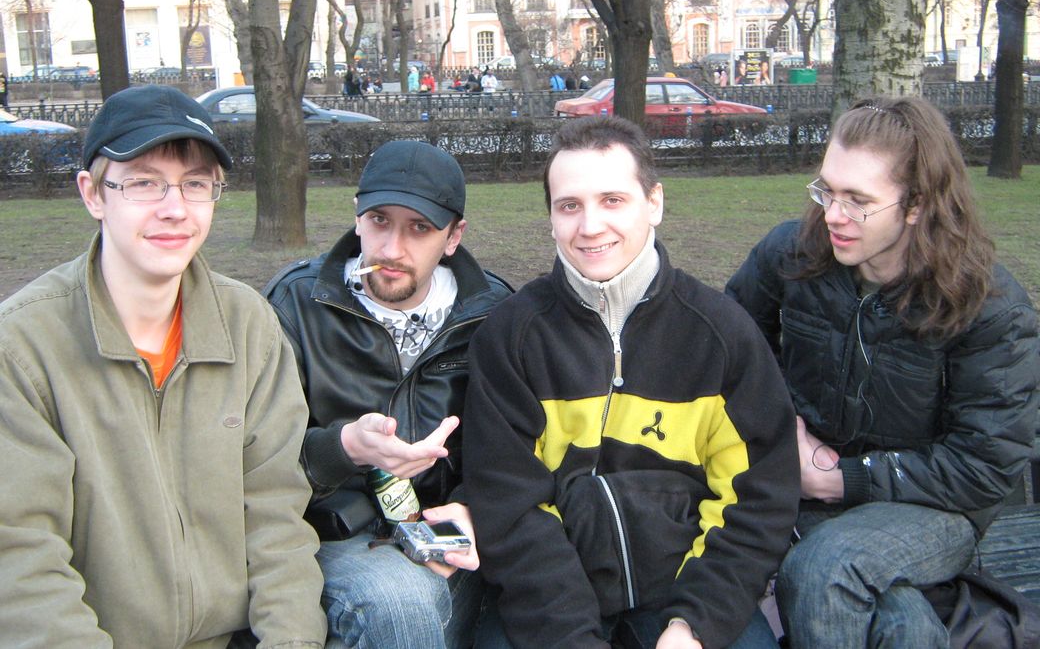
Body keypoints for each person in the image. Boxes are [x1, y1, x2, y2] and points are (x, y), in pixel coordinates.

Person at [0, 85, 326, 645]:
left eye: (195, 184)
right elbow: (22, 557)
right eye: (144, 182)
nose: (174, 209)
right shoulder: (23, 347)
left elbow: (277, 516)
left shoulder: (249, 326)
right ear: (93, 195)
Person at [463, 115, 801, 649]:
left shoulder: (721, 335)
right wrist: (570, 637)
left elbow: (757, 498)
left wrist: (693, 624)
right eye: (569, 206)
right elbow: (509, 506)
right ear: (551, 218)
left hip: (686, 591)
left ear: (654, 203)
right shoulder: (510, 336)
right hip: (551, 599)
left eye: (612, 200)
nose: (590, 225)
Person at [725, 96, 1040, 648]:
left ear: (916, 204)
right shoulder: (791, 255)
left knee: (826, 567)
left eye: (858, 201)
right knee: (895, 619)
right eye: (827, 191)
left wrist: (839, 478)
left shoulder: (987, 306)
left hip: (933, 507)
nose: (833, 215)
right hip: (803, 486)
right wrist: (781, 428)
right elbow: (731, 348)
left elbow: (985, 465)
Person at [265, 140, 513, 649]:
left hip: (450, 526)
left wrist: (471, 506)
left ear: (453, 236)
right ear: (357, 217)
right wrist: (344, 448)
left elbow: (521, 449)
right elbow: (256, 458)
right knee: (400, 599)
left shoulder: (493, 313)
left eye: (419, 228)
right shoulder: (296, 304)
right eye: (379, 221)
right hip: (334, 531)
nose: (392, 249)